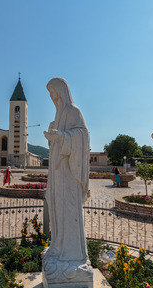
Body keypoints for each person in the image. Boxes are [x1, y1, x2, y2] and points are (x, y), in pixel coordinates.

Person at [42, 78, 92, 284]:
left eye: (54, 92)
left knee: (69, 211)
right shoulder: (59, 114)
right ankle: (58, 247)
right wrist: (54, 136)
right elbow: (61, 139)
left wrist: (61, 136)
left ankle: (72, 255)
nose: (52, 97)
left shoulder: (73, 112)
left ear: (62, 91)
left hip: (69, 177)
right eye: (50, 94)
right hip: (58, 175)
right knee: (58, 212)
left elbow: (82, 135)